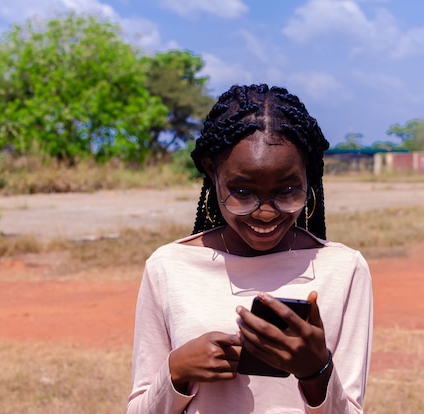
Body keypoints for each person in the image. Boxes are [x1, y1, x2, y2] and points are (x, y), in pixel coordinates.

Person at [127, 84, 373, 413]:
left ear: (308, 177)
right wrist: (176, 372)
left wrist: (316, 371)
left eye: (288, 191)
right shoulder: (169, 267)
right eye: (242, 191)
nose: (266, 212)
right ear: (213, 171)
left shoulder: (344, 269)